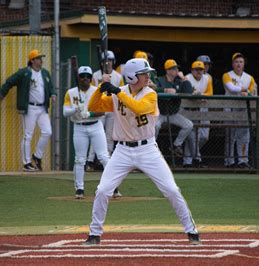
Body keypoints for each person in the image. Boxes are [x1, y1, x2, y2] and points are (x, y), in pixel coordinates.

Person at [83, 58, 200, 245]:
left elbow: (138, 108)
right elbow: (93, 107)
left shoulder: (150, 94)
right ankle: (94, 234)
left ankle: (191, 230)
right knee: (103, 190)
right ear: (132, 77)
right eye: (144, 74)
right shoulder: (118, 93)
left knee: (171, 189)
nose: (148, 76)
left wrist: (115, 91)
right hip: (121, 150)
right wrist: (101, 87)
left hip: (147, 149)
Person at [0, 49, 56, 172]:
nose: (41, 60)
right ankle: (26, 163)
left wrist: (53, 94)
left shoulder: (45, 73)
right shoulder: (24, 73)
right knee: (28, 135)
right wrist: (1, 94)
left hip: (42, 107)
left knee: (47, 132)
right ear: (32, 61)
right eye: (38, 58)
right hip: (30, 107)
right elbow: (9, 82)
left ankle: (37, 156)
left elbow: (51, 86)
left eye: (41, 58)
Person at [63, 66, 110, 199]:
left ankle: (112, 185)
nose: (85, 79)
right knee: (80, 159)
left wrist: (89, 113)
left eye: (88, 76)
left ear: (91, 78)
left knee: (103, 156)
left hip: (96, 125)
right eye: (82, 76)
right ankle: (79, 188)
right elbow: (65, 112)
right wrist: (75, 109)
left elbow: (103, 111)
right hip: (79, 127)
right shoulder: (71, 93)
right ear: (78, 78)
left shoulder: (97, 91)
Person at [88, 50, 124, 174]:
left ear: (113, 62)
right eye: (105, 61)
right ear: (102, 62)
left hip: (112, 109)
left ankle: (106, 162)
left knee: (109, 136)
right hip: (100, 108)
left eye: (110, 61)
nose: (107, 63)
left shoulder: (118, 76)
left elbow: (122, 93)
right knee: (96, 134)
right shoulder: (96, 75)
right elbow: (92, 91)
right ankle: (90, 161)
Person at [222, 53, 257, 168]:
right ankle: (229, 161)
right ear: (233, 64)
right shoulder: (227, 75)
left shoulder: (249, 77)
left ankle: (243, 160)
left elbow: (252, 92)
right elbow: (231, 88)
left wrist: (247, 92)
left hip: (243, 110)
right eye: (236, 62)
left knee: (244, 137)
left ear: (244, 64)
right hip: (230, 109)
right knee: (230, 136)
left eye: (241, 62)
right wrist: (244, 89)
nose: (238, 64)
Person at [155, 59, 194, 157]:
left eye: (176, 68)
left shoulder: (179, 82)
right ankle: (151, 147)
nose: (176, 70)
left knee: (189, 125)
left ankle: (176, 145)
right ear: (167, 70)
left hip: (173, 114)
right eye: (173, 68)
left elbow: (189, 92)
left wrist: (184, 78)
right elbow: (153, 89)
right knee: (155, 126)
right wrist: (165, 90)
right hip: (160, 113)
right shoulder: (160, 80)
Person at [183, 60, 213, 168]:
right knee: (191, 136)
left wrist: (200, 94)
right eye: (196, 69)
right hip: (190, 109)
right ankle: (190, 161)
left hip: (203, 109)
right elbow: (185, 93)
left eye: (201, 69)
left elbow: (210, 93)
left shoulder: (207, 78)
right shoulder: (187, 78)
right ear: (192, 70)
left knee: (204, 136)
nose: (199, 71)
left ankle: (192, 157)